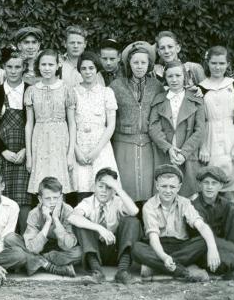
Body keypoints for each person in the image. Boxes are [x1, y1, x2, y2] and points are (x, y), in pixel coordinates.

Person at [131, 165, 234, 281]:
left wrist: (212, 248)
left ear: (179, 187)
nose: (168, 191)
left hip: (182, 247)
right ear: (157, 185)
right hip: (158, 246)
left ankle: (155, 266)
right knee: (136, 248)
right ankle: (184, 272)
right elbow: (153, 238)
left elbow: (201, 225)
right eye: (164, 186)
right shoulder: (149, 206)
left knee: (204, 240)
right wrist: (164, 257)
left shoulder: (185, 203)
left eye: (172, 187)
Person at [198, 46, 234, 199]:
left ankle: (232, 221)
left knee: (231, 189)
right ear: (207, 63)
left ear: (227, 64)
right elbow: (200, 121)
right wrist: (203, 146)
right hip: (209, 139)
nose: (217, 67)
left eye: (221, 63)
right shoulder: (201, 88)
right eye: (213, 63)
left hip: (232, 138)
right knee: (212, 186)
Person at [109, 41, 164, 206]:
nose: (139, 66)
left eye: (143, 63)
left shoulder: (157, 86)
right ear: (129, 64)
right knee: (126, 187)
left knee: (147, 187)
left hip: (148, 143)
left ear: (149, 65)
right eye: (135, 62)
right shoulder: (116, 86)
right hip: (123, 143)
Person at [0, 45, 31, 230]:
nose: (13, 71)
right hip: (1, 153)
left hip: (23, 152)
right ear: (4, 67)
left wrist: (26, 150)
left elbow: (34, 126)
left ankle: (26, 240)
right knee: (2, 197)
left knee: (24, 198)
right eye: (9, 67)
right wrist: (3, 151)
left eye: (18, 67)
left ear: (24, 68)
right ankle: (2, 238)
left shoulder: (31, 91)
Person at [67, 168, 141, 284]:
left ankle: (122, 272)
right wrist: (100, 228)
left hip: (116, 251)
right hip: (95, 252)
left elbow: (134, 211)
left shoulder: (117, 201)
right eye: (101, 186)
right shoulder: (88, 202)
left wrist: (117, 188)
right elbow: (72, 217)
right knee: (81, 223)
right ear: (94, 187)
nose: (104, 191)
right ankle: (97, 272)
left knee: (132, 221)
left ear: (114, 190)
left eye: (109, 188)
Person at [148, 60, 205, 197]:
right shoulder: (159, 99)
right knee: (165, 193)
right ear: (165, 78)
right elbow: (153, 126)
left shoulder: (195, 99)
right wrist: (168, 147)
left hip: (187, 154)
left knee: (190, 194)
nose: (174, 80)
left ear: (184, 76)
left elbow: (200, 129)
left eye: (178, 76)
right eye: (170, 76)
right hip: (165, 154)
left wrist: (184, 153)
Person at [25, 49, 76, 197]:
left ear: (57, 66)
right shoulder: (32, 90)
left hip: (61, 141)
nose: (47, 68)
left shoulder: (66, 89)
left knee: (60, 186)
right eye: (43, 64)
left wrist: (70, 153)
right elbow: (29, 124)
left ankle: (61, 219)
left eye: (50, 64)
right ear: (38, 66)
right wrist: (29, 155)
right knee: (41, 188)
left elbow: (72, 124)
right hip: (40, 141)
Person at [71, 51, 118, 206]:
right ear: (79, 70)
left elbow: (111, 125)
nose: (88, 72)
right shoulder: (73, 92)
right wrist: (76, 151)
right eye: (84, 68)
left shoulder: (106, 92)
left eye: (91, 68)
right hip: (79, 145)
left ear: (97, 69)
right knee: (82, 187)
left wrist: (97, 150)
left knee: (103, 187)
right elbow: (69, 123)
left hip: (101, 146)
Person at [21, 177, 82, 268]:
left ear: (61, 197)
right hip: (42, 247)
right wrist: (48, 222)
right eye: (48, 198)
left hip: (60, 249)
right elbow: (32, 248)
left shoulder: (68, 210)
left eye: (56, 198)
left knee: (79, 252)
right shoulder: (34, 213)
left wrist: (56, 219)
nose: (52, 202)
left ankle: (42, 261)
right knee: (15, 242)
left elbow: (69, 245)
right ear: (40, 199)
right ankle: (49, 264)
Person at [58, 25, 104, 89]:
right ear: (65, 44)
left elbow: (101, 91)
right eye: (72, 43)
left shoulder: (92, 65)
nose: (76, 46)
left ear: (85, 44)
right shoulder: (57, 64)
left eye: (79, 43)